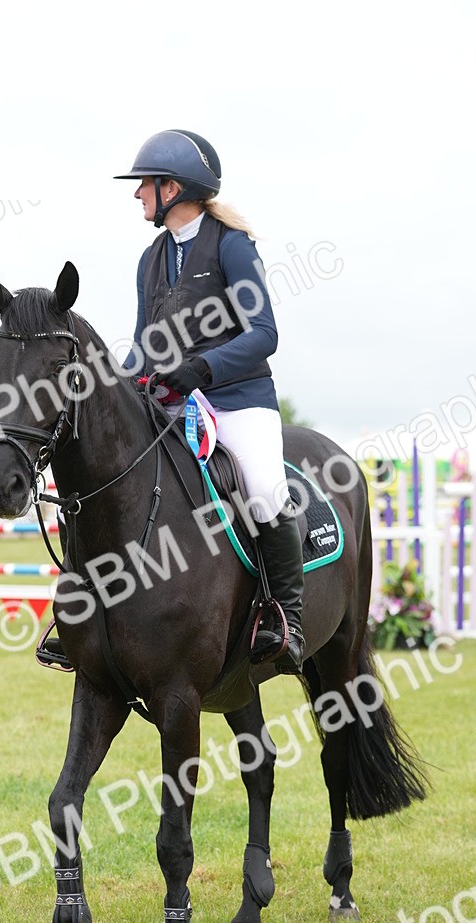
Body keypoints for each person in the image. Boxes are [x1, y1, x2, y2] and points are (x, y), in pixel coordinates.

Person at [114, 129, 304, 672]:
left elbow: (264, 333)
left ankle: (285, 617)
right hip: (172, 405)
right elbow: (144, 346)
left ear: (171, 188)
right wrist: (118, 381)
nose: (137, 195)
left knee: (265, 493)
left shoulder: (230, 244)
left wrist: (203, 367)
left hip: (238, 400)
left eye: (143, 185)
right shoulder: (150, 260)